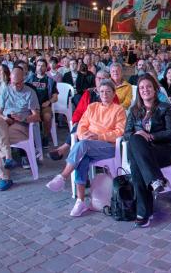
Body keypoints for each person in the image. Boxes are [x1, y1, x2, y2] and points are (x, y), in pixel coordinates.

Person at [46, 80, 127, 215]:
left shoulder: (118, 110)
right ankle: (80, 201)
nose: (105, 94)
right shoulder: (92, 107)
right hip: (89, 145)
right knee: (82, 159)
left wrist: (99, 136)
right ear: (98, 93)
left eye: (108, 91)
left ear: (114, 94)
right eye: (102, 91)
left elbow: (119, 132)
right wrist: (85, 136)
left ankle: (63, 176)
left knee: (82, 146)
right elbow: (81, 126)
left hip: (109, 147)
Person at [124, 73, 171, 227]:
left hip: (162, 151)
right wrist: (139, 134)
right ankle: (154, 180)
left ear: (155, 89)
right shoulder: (134, 110)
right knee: (135, 139)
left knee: (136, 161)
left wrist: (150, 136)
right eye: (141, 88)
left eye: (148, 87)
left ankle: (144, 212)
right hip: (141, 152)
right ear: (138, 92)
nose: (145, 90)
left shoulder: (165, 107)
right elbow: (126, 134)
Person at [0, 66, 40, 190]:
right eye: (13, 83)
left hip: (21, 125)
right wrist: (5, 118)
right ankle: (8, 158)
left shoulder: (30, 92)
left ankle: (5, 178)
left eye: (18, 83)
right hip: (7, 122)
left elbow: (37, 116)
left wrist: (23, 118)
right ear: (10, 79)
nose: (16, 86)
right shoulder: (6, 91)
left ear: (23, 80)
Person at [26, 58, 58, 147]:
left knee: (47, 116)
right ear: (36, 67)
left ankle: (45, 136)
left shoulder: (50, 81)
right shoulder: (30, 78)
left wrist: (48, 102)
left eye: (42, 66)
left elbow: (55, 97)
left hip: (44, 106)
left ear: (46, 68)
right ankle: (29, 138)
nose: (40, 67)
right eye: (38, 65)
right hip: (31, 106)